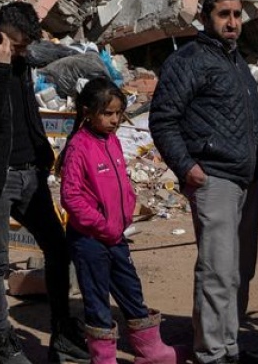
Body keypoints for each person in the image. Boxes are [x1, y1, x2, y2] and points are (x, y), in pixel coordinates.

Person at [0, 2, 88, 364]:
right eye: (18, 45)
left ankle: (62, 332)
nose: (22, 53)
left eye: (23, 47)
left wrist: (42, 155)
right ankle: (4, 340)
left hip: (29, 173)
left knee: (57, 247)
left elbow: (26, 109)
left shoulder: (20, 59)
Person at [150, 0, 258, 364]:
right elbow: (163, 118)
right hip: (214, 178)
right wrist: (187, 168)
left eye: (237, 15)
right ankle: (211, 352)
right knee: (217, 271)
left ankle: (230, 348)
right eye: (224, 15)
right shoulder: (189, 60)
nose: (233, 23)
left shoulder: (235, 61)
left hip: (247, 179)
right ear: (207, 17)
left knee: (239, 271)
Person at [60, 78, 177, 364]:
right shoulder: (79, 147)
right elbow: (71, 197)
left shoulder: (111, 140)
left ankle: (150, 350)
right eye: (107, 113)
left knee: (130, 290)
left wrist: (128, 202)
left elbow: (120, 179)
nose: (114, 120)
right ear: (88, 112)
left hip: (115, 236)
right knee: (97, 300)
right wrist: (103, 225)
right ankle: (104, 358)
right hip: (90, 240)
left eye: (118, 113)